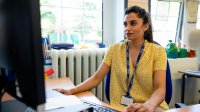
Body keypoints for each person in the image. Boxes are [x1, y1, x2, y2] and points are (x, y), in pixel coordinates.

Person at [54, 6, 169, 112]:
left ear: (146, 26)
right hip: (120, 108)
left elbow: (160, 89)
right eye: (125, 24)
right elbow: (96, 78)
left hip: (150, 107)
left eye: (133, 23)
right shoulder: (114, 49)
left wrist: (148, 105)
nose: (127, 28)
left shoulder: (158, 51)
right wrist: (71, 91)